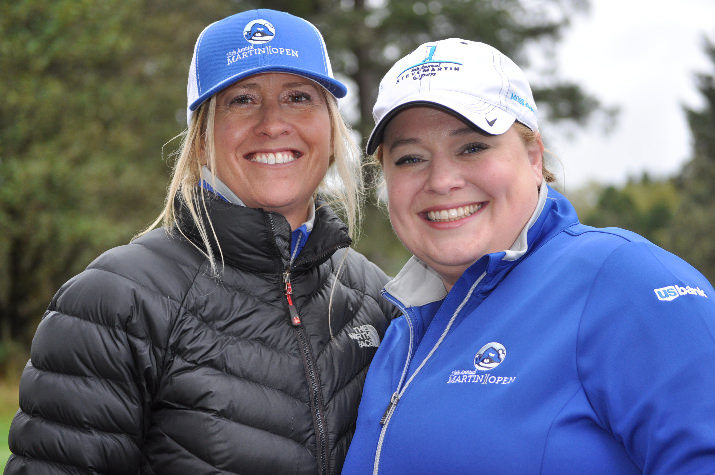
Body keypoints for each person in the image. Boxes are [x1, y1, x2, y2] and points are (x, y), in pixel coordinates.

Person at [6, 9, 395, 474]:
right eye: (242, 100)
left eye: (297, 97)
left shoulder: (376, 299)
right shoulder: (113, 301)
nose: (273, 123)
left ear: (331, 132)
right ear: (202, 141)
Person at [342, 38, 715, 474]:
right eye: (410, 158)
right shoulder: (399, 329)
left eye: (472, 147)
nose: (441, 180)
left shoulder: (626, 281)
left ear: (534, 156)